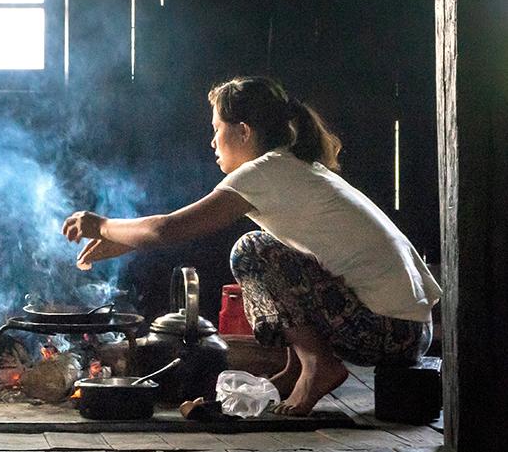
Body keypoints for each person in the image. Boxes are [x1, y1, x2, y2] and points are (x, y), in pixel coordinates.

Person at [61, 76, 441, 416]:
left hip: (386, 332)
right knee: (279, 250)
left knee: (252, 250)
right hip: (407, 331)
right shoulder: (291, 165)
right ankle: (296, 369)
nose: (213, 141)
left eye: (217, 129)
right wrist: (122, 241)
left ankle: (318, 366)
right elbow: (170, 230)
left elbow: (167, 229)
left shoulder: (264, 172)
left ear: (243, 131)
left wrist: (102, 225)